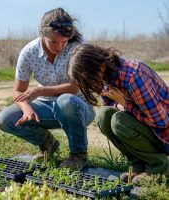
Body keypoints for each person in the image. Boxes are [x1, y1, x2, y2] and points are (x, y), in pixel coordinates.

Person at [0, 8, 95, 170]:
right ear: (43, 34)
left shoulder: (77, 49)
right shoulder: (29, 52)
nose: (60, 47)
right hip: (47, 107)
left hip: (77, 108)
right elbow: (18, 91)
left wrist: (39, 91)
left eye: (64, 42)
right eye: (54, 42)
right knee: (5, 119)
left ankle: (78, 155)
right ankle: (47, 143)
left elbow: (73, 87)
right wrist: (27, 108)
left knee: (66, 100)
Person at [68, 43, 169, 183]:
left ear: (101, 66)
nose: (90, 84)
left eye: (89, 78)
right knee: (104, 115)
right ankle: (138, 165)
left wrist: (124, 103)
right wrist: (120, 104)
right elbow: (112, 107)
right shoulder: (106, 78)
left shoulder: (133, 76)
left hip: (164, 135)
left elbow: (161, 121)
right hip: (149, 130)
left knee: (119, 120)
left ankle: (159, 167)